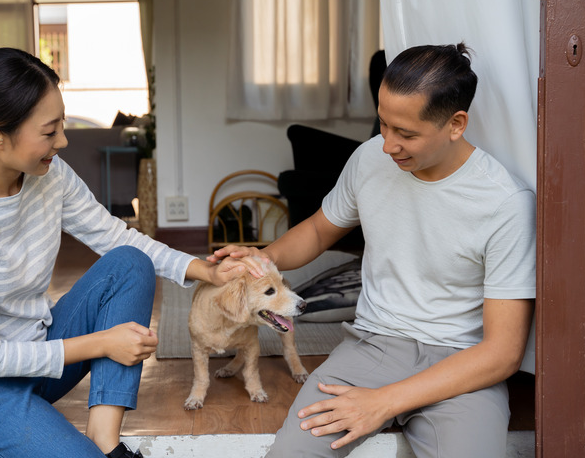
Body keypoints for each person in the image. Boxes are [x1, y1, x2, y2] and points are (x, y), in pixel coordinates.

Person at [0, 47, 251, 458]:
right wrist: (102, 343)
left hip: (38, 354)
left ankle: (105, 439)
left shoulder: (48, 174)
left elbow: (114, 236)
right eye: (49, 130)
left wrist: (207, 270)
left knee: (130, 262)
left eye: (61, 123)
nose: (63, 140)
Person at [212, 43, 535, 458]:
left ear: (456, 124)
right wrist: (263, 259)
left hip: (462, 368)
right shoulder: (369, 159)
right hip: (372, 347)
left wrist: (383, 402)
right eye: (382, 123)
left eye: (406, 133)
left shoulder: (505, 202)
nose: (388, 145)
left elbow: (503, 353)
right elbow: (317, 230)